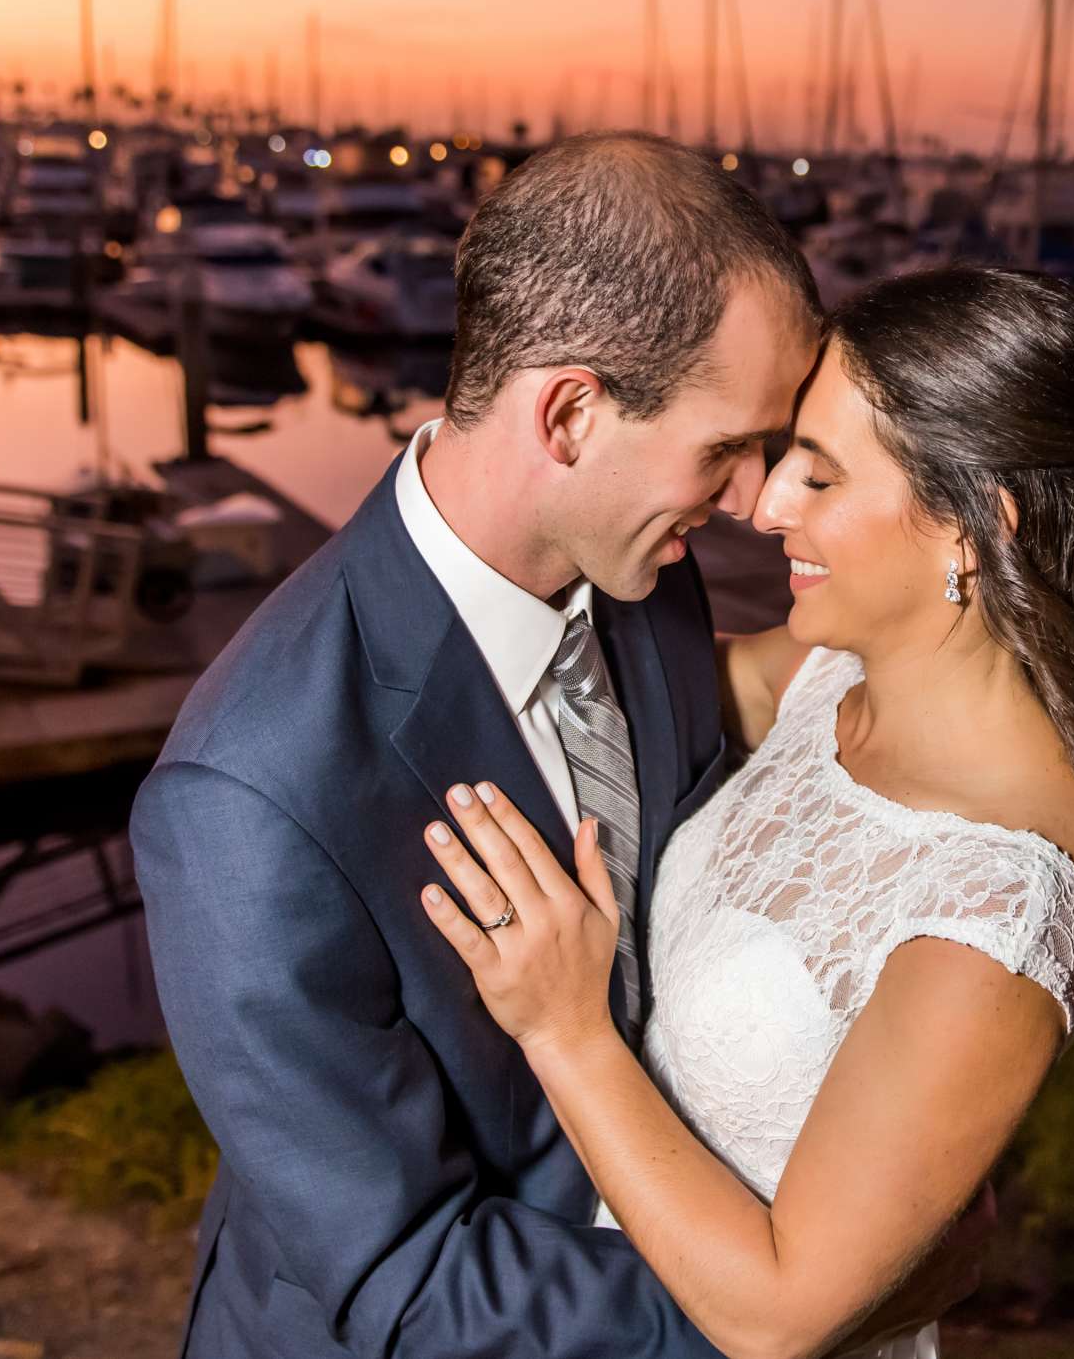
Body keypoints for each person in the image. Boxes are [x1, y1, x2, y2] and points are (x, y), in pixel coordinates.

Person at [131, 133, 978, 1358]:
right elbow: (408, 1283)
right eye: (726, 449)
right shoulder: (251, 793)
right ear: (572, 413)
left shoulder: (642, 570)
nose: (750, 500)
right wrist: (806, 1303)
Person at [415, 265, 1074, 1359]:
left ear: (968, 528)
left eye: (820, 477)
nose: (762, 506)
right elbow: (629, 695)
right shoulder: (823, 674)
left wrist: (565, 1029)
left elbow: (780, 1313)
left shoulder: (999, 905)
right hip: (598, 1301)